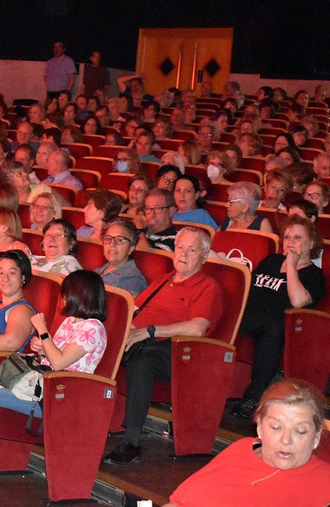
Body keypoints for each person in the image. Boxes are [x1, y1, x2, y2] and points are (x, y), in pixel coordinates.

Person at [104, 227, 224, 465]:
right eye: (180, 248)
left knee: (143, 362)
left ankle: (131, 440)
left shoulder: (208, 287)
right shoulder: (163, 280)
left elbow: (197, 328)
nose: (184, 254)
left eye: (192, 250)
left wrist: (149, 332)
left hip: (177, 352)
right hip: (139, 339)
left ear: (204, 255)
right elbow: (134, 310)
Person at [0, 270, 107, 474]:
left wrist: (43, 332)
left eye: (65, 293)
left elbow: (60, 363)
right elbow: (54, 355)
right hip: (40, 383)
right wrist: (42, 347)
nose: (62, 298)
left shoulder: (93, 329)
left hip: (61, 394)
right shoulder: (71, 321)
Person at [165, 379, 330, 507]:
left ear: (316, 437)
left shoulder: (324, 482)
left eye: (300, 431)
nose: (286, 440)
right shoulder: (242, 449)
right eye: (276, 427)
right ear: (259, 428)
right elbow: (180, 503)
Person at [230, 217, 325, 419]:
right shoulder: (271, 261)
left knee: (274, 327)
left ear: (312, 243)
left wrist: (291, 266)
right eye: (287, 237)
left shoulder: (314, 275)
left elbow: (299, 301)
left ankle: (253, 396)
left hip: (276, 327)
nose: (290, 241)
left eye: (298, 237)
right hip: (249, 316)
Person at [95, 219, 148, 296]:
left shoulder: (132, 280)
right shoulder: (97, 272)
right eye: (108, 239)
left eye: (120, 240)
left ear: (131, 248)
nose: (112, 244)